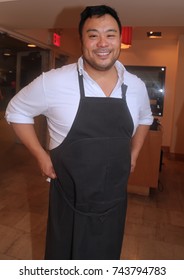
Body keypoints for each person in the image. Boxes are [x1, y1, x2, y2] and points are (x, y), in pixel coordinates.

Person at [5, 5, 153, 260]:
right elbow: (16, 111)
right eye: (93, 35)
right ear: (82, 40)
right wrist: (41, 156)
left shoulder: (136, 86)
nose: (102, 43)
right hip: (69, 203)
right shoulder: (53, 82)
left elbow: (146, 118)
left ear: (120, 38)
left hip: (115, 204)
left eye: (111, 34)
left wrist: (134, 154)